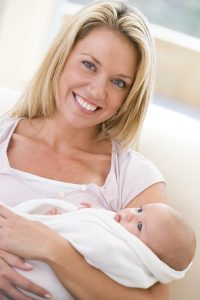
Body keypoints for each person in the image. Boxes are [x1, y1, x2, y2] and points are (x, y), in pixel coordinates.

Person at [0, 0, 171, 299]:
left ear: (130, 96)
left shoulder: (135, 179)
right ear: (62, 57)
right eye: (89, 65)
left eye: (118, 82)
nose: (96, 91)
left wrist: (54, 249)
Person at [0, 200, 196, 300]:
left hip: (27, 273)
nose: (129, 215)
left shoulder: (124, 256)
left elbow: (98, 245)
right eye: (139, 210)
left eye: (139, 226)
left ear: (148, 257)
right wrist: (68, 217)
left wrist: (53, 244)